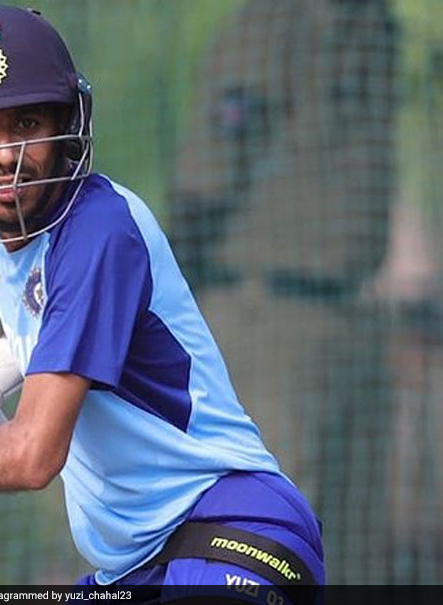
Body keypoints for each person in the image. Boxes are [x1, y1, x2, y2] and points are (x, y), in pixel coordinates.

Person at [0, 4, 325, 594]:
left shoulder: (97, 228)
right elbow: (74, 317)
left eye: (26, 124)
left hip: (227, 532)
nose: (4, 157)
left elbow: (32, 456)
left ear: (66, 125)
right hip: (132, 567)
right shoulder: (3, 230)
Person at [168, 0, 397, 581]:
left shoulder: (373, 26)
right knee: (264, 540)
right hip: (266, 317)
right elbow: (208, 169)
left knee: (350, 544)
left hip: (351, 312)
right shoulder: (269, 22)